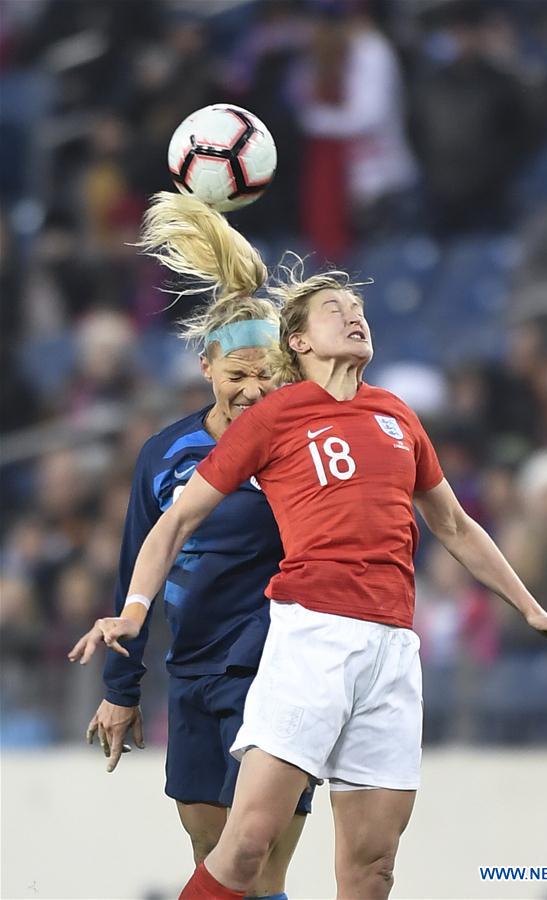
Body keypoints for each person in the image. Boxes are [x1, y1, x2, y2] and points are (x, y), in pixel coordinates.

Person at [70, 198, 547, 900]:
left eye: (359, 306)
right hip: (302, 643)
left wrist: (532, 609)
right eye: (335, 309)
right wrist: (133, 621)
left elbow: (455, 526)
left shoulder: (397, 414)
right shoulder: (271, 421)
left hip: (386, 650)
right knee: (241, 848)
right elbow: (169, 524)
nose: (355, 314)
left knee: (370, 868)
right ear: (298, 342)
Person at [70, 193, 312, 900]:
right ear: (207, 367)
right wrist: (122, 689)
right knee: (212, 850)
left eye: (266, 375)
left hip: (277, 673)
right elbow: (135, 569)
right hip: (193, 669)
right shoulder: (166, 454)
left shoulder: (301, 451)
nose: (250, 390)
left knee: (258, 855)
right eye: (237, 375)